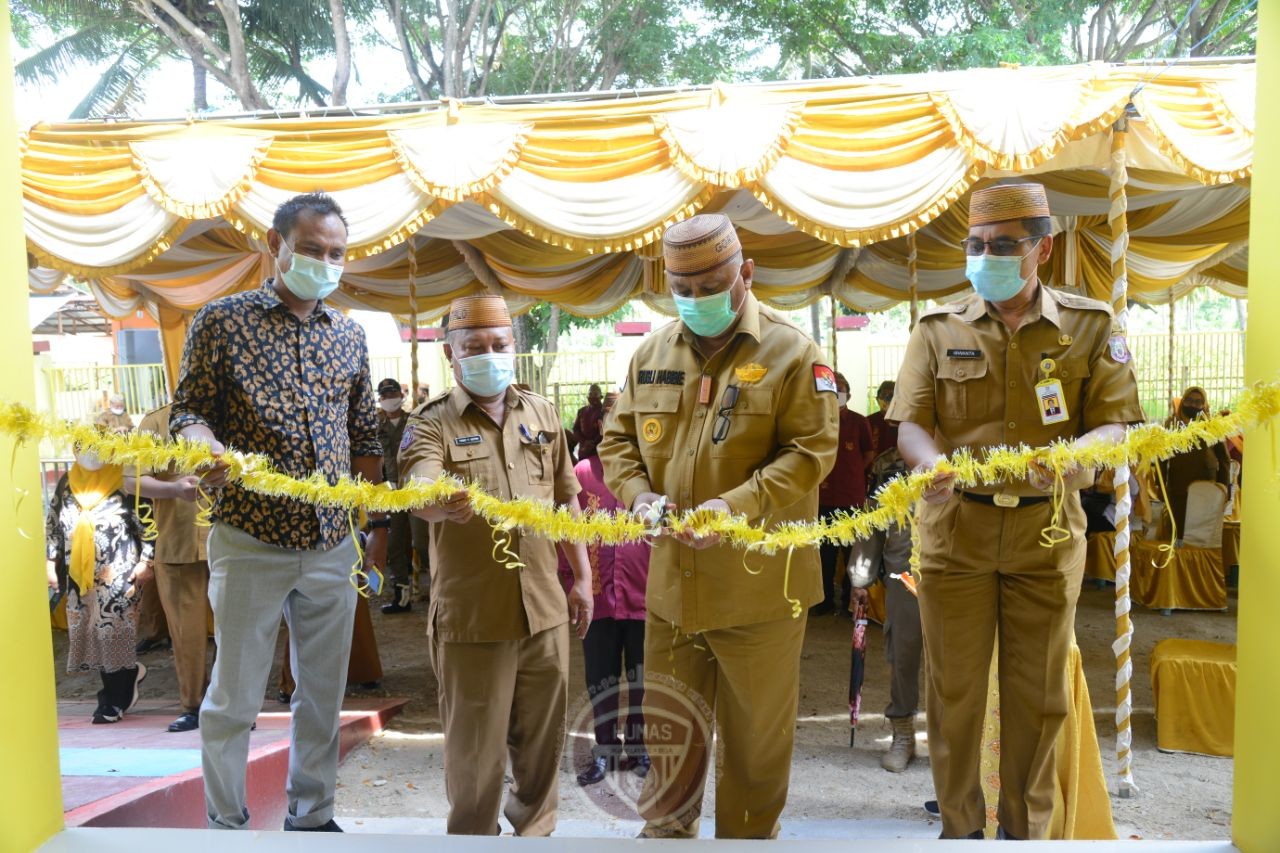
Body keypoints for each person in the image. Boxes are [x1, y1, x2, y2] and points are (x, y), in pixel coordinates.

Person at [888, 182, 1143, 840]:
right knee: (954, 696)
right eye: (976, 245)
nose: (986, 256)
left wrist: (1073, 453)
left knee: (1039, 695)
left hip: (1047, 532)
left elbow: (1117, 425)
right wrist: (928, 464)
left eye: (1003, 245)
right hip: (955, 533)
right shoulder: (937, 329)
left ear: (1044, 249)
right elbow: (910, 425)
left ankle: (1025, 834)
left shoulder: (1090, 327)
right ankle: (961, 830)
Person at [600, 213, 838, 840]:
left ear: (746, 273)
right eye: (684, 288)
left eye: (711, 284)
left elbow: (812, 452)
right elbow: (618, 441)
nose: (697, 299)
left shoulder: (792, 352)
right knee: (670, 743)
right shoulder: (650, 353)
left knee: (756, 755)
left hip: (759, 590)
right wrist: (639, 497)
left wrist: (735, 507)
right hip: (673, 587)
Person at [170, 191, 388, 833]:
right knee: (235, 695)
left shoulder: (349, 335)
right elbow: (190, 409)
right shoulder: (221, 321)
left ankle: (312, 815)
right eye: (313, 249)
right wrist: (199, 442)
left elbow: (364, 439)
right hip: (250, 536)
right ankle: (226, 822)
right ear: (276, 244)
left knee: (322, 696)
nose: (325, 262)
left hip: (330, 542)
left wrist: (370, 529)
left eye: (336, 254)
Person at [399, 294, 593, 836]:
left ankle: (535, 836)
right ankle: (473, 843)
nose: (489, 355)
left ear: (514, 346)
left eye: (499, 344)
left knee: (541, 746)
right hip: (473, 620)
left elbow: (566, 499)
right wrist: (439, 499)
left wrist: (582, 577)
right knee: (476, 756)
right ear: (451, 354)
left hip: (544, 611)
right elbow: (417, 488)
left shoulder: (542, 413)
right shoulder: (430, 421)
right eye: (475, 347)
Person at [558, 391, 651, 787]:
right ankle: (605, 751)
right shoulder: (582, 473)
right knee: (601, 679)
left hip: (645, 597)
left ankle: (640, 748)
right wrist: (570, 583)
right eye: (613, 415)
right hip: (597, 599)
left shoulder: (653, 475)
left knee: (644, 679)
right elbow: (568, 533)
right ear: (600, 423)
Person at [45, 443, 154, 724]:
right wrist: (49, 562)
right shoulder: (69, 481)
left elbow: (148, 521)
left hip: (119, 570)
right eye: (83, 446)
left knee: (113, 632)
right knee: (92, 634)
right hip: (78, 574)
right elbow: (54, 523)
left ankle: (112, 701)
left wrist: (148, 560)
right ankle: (126, 677)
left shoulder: (126, 480)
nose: (89, 453)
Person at [137, 404, 212, 733]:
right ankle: (194, 706)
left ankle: (233, 704)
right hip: (177, 541)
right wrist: (173, 489)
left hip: (232, 542)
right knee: (186, 634)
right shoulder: (155, 421)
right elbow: (133, 481)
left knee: (236, 632)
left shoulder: (232, 411)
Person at [815, 372, 875, 615]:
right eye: (832, 389)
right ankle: (824, 600)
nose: (837, 394)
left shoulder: (859, 421)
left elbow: (869, 453)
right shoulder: (816, 419)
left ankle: (851, 603)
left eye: (840, 389)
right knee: (825, 552)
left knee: (853, 552)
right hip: (823, 497)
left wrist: (854, 474)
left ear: (848, 394)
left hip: (851, 497)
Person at [1159, 385, 1231, 535]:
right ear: (1183, 401)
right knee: (1179, 528)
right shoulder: (1171, 425)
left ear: (1204, 405)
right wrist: (1160, 486)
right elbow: (1162, 457)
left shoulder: (1212, 426)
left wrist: (1224, 488)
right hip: (1178, 486)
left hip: (1206, 485)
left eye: (1198, 402)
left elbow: (1224, 460)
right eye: (1189, 400)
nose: (1193, 405)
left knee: (1201, 531)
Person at [376, 377, 416, 613]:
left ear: (401, 397)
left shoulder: (415, 421)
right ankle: (402, 596)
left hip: (417, 489)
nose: (390, 400)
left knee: (423, 542)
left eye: (393, 395)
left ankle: (441, 592)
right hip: (391, 492)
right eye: (385, 396)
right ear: (380, 400)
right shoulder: (375, 426)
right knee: (395, 545)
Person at [571, 384, 606, 460]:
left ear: (600, 396)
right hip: (584, 451)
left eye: (595, 394)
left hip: (599, 452)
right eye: (590, 394)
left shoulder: (605, 412)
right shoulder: (581, 411)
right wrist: (584, 442)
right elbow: (575, 429)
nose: (593, 396)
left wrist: (592, 444)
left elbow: (604, 431)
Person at [867, 380, 898, 458]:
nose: (886, 399)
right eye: (883, 395)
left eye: (891, 396)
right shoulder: (868, 421)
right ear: (877, 399)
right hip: (873, 467)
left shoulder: (904, 423)